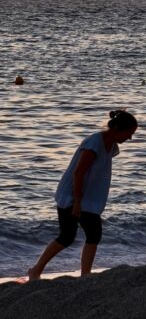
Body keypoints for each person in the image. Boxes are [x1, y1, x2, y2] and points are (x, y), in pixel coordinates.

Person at [27, 110, 138, 280]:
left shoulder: (111, 145)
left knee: (92, 233)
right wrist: (77, 202)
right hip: (72, 195)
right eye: (128, 133)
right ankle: (36, 270)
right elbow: (78, 173)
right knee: (67, 236)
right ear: (117, 128)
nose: (129, 138)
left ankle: (85, 274)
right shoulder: (94, 144)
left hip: (87, 197)